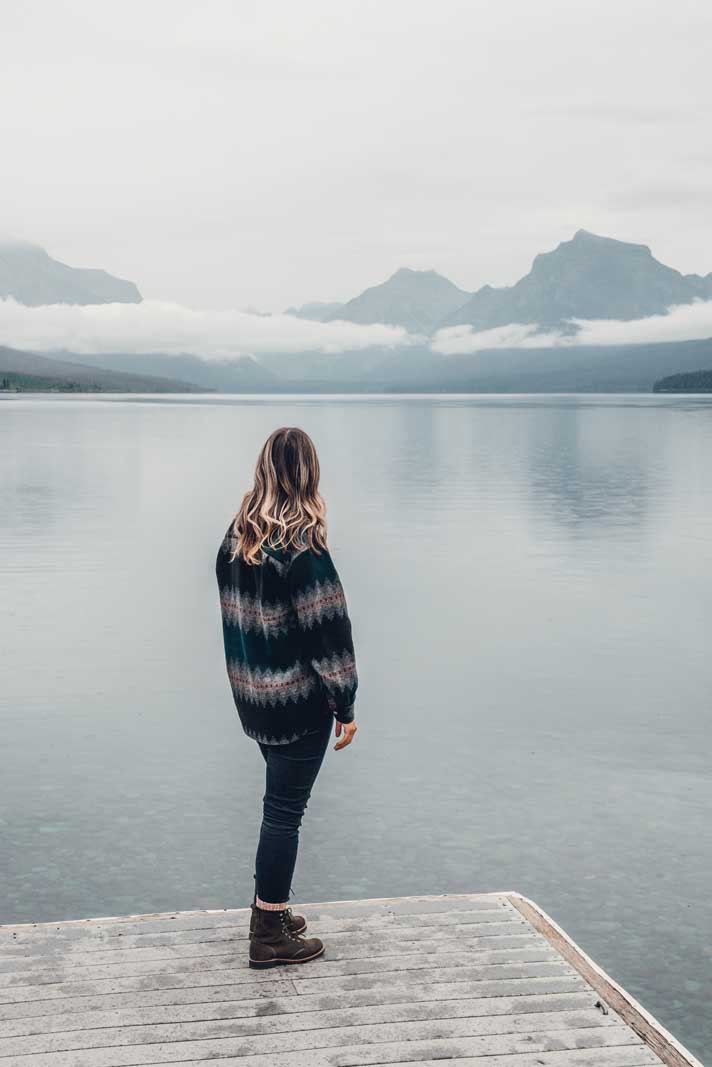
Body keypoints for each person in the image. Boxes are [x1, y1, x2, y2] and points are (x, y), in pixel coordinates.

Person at [215, 426, 358, 969]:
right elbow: (329, 632)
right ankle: (270, 934)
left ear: (264, 469)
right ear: (309, 473)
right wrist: (345, 704)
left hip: (253, 698)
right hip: (297, 703)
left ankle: (265, 913)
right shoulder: (303, 547)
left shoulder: (237, 536)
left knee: (278, 807)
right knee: (283, 813)